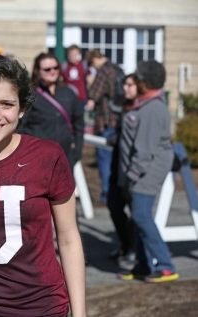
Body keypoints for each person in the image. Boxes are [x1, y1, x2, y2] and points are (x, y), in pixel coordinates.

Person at [0, 55, 86, 317]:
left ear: (22, 108)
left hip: (41, 307)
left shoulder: (48, 156)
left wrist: (80, 313)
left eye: (6, 104)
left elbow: (69, 239)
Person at [117, 60, 179, 283]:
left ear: (145, 83)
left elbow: (145, 150)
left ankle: (165, 265)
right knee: (138, 216)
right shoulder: (145, 104)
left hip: (147, 171)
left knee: (141, 215)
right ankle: (143, 265)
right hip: (141, 170)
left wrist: (132, 175)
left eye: (139, 79)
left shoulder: (153, 108)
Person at [19, 52, 84, 170]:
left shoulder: (69, 92)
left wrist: (77, 152)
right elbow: (21, 126)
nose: (52, 71)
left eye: (56, 67)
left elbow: (79, 124)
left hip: (65, 156)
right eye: (47, 69)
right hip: (37, 157)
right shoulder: (30, 95)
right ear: (37, 71)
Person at [107, 74, 139, 266]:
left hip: (133, 167)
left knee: (137, 212)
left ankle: (134, 251)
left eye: (130, 85)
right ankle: (126, 244)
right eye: (124, 84)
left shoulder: (143, 108)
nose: (125, 88)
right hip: (118, 165)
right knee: (114, 207)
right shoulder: (122, 106)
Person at [86, 50, 122, 204]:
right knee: (116, 159)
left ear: (95, 59)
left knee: (104, 158)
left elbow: (94, 94)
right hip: (119, 119)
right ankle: (117, 193)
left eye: (92, 64)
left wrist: (89, 82)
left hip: (105, 120)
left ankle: (106, 194)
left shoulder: (103, 72)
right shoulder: (117, 69)